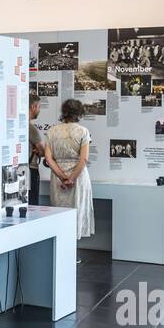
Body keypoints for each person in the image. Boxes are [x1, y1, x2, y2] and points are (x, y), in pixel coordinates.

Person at [43, 99, 94, 237]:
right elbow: (84, 159)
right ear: (79, 113)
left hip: (58, 177)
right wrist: (71, 179)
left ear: (63, 112)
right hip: (78, 177)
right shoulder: (83, 131)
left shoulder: (52, 131)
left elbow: (48, 158)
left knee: (59, 212)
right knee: (77, 211)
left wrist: (62, 177)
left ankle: (61, 252)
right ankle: (73, 253)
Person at [28, 95, 45, 205]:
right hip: (31, 170)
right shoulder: (31, 129)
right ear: (33, 107)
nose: (39, 110)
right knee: (33, 203)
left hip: (24, 169)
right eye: (39, 107)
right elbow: (43, 151)